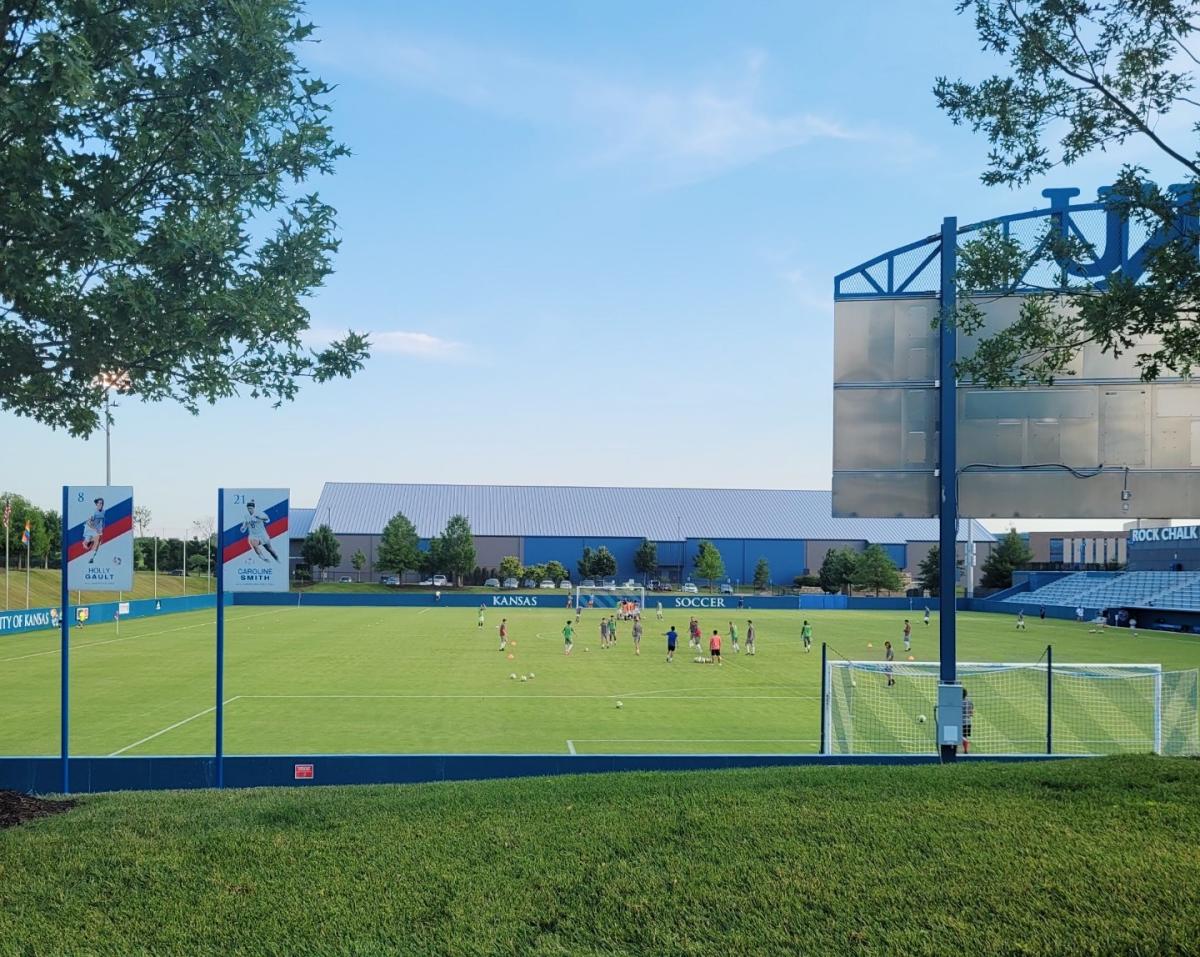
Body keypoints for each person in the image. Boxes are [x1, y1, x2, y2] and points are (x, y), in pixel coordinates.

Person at [240, 500, 281, 564]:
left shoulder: (259, 513)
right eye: (248, 508)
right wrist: (242, 528)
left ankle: (277, 558)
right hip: (253, 535)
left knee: (269, 549)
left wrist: (260, 517)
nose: (249, 510)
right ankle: (264, 559)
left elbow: (267, 519)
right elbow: (244, 526)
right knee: (254, 545)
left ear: (253, 508)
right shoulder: (246, 516)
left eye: (251, 508)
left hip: (262, 534)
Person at [83, 497, 105, 564]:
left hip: (98, 530)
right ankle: (87, 544)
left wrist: (100, 529)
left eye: (102, 503)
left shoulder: (103, 511)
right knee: (92, 542)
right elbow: (88, 522)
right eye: (99, 503)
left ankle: (91, 558)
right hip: (90, 529)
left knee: (98, 543)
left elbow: (102, 521)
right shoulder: (93, 512)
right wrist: (95, 529)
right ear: (96, 504)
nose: (100, 504)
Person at [961, 687, 974, 754]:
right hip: (967, 722)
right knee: (965, 736)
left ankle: (954, 751)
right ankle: (965, 750)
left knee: (954, 737)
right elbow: (971, 713)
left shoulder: (957, 702)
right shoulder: (969, 702)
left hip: (958, 722)